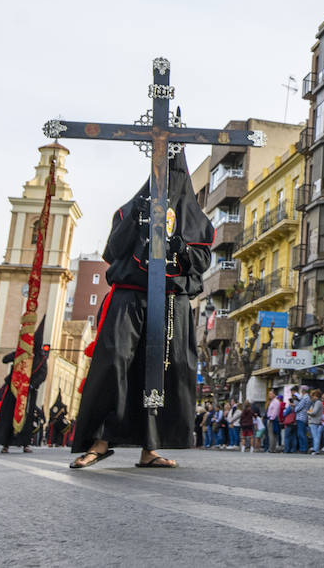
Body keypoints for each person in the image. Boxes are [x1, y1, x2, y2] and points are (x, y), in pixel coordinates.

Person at [70, 148, 214, 470]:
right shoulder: (130, 209)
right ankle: (99, 442)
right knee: (114, 362)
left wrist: (183, 248)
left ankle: (151, 448)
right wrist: (139, 214)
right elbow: (113, 250)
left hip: (171, 302)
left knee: (164, 370)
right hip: (129, 296)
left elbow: (202, 262)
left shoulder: (195, 220)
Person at [0, 317, 49, 453]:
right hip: (14, 388)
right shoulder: (23, 352)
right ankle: (5, 444)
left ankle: (25, 443)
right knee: (8, 415)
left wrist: (32, 385)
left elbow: (42, 375)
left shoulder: (42, 359)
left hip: (29, 391)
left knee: (27, 417)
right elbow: (5, 359)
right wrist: (16, 354)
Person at [306, 389, 324, 455]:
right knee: (316, 436)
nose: (312, 398)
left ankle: (316, 450)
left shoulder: (318, 402)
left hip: (315, 421)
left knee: (316, 436)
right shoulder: (317, 403)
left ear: (316, 396)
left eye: (313, 396)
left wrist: (308, 412)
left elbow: (314, 412)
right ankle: (315, 448)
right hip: (315, 421)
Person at [266, 389, 284, 453]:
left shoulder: (275, 402)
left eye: (270, 394)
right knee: (272, 434)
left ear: (274, 394)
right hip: (271, 418)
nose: (269, 395)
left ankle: (272, 448)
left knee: (272, 435)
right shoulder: (273, 401)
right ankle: (272, 448)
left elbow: (275, 411)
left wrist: (271, 418)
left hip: (272, 419)